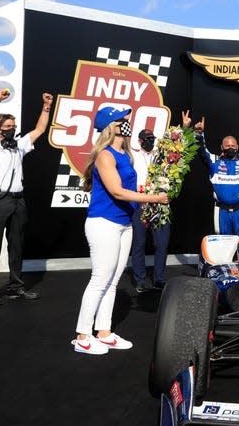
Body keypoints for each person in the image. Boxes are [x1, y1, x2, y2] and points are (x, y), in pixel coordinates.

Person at [72, 106, 170, 355]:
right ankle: (83, 336)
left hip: (124, 225)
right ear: (111, 125)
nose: (128, 122)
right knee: (100, 279)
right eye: (123, 120)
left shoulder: (125, 154)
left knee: (113, 281)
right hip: (104, 223)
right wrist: (153, 198)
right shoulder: (105, 155)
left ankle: (103, 332)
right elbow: (116, 191)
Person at [0, 90, 52, 306]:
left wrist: (46, 107)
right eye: (9, 127)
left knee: (17, 246)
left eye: (14, 127)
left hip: (18, 200)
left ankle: (16, 288)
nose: (13, 130)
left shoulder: (19, 146)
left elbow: (39, 130)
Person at [130, 126, 171, 293]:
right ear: (139, 141)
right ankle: (140, 280)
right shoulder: (133, 156)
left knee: (162, 244)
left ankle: (159, 279)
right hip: (139, 204)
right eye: (146, 139)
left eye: (152, 138)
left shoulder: (160, 157)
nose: (150, 142)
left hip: (159, 205)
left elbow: (179, 147)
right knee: (139, 243)